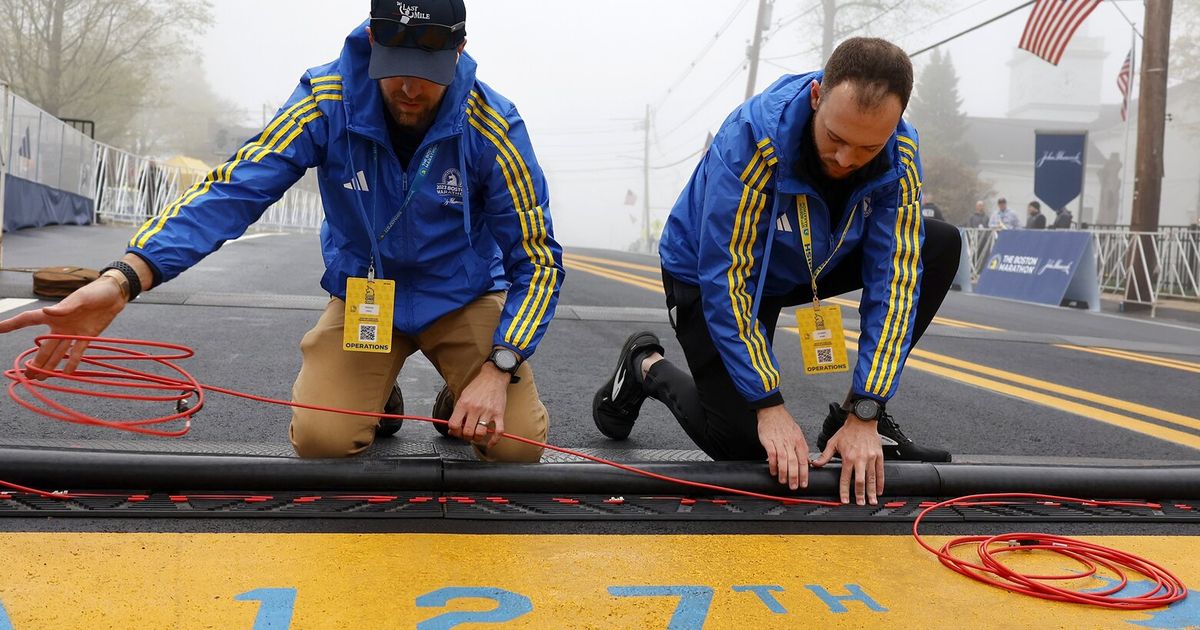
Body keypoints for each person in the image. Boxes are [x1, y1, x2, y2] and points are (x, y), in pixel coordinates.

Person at [0, 0, 563, 463]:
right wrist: (124, 278)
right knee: (322, 442)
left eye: (428, 73)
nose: (410, 88)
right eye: (395, 66)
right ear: (372, 39)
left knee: (516, 446)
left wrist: (500, 365)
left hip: (461, 294)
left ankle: (458, 391)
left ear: (459, 51)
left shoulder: (493, 125)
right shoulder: (326, 99)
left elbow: (536, 259)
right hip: (368, 296)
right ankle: (374, 390)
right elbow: (234, 188)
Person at [592, 38, 958, 507]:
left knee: (939, 245)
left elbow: (897, 280)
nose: (847, 160)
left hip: (809, 261)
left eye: (868, 147)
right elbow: (728, 280)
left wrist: (866, 409)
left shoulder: (901, 154)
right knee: (744, 448)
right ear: (816, 98)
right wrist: (769, 405)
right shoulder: (752, 139)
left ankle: (846, 420)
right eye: (836, 138)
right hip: (707, 273)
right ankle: (645, 366)